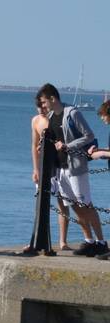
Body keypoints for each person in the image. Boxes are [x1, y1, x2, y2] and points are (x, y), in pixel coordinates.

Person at [37, 83, 105, 255]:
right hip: (60, 169)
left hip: (76, 168)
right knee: (74, 206)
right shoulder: (51, 116)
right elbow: (54, 140)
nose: (42, 106)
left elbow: (89, 135)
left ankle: (101, 242)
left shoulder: (72, 113)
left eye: (44, 102)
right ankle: (89, 241)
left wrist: (68, 146)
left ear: (53, 98)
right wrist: (44, 146)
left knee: (86, 204)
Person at [29, 94, 74, 250]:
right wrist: (36, 169)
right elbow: (34, 146)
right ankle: (37, 239)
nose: (42, 109)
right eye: (39, 107)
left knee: (63, 203)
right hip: (43, 166)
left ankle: (63, 241)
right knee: (40, 203)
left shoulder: (54, 119)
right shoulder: (35, 120)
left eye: (43, 106)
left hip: (58, 164)